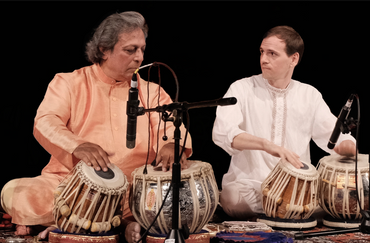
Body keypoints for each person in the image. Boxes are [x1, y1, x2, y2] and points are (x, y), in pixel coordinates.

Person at [0, 11, 192, 243]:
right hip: (72, 187)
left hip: (136, 191)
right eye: (130, 50)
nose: (139, 57)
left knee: (184, 198)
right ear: (104, 49)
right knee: (19, 192)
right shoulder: (69, 83)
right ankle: (123, 224)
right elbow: (46, 120)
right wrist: (78, 145)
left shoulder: (152, 91)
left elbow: (172, 124)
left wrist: (173, 144)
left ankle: (89, 223)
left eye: (142, 49)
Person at [212, 25, 356, 219]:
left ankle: (290, 211)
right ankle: (288, 215)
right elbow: (223, 132)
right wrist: (266, 145)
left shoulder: (309, 95)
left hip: (296, 189)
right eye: (262, 52)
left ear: (293, 59)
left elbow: (334, 137)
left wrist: (349, 147)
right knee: (232, 199)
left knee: (338, 200)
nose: (263, 59)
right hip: (251, 187)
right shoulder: (242, 88)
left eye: (272, 54)